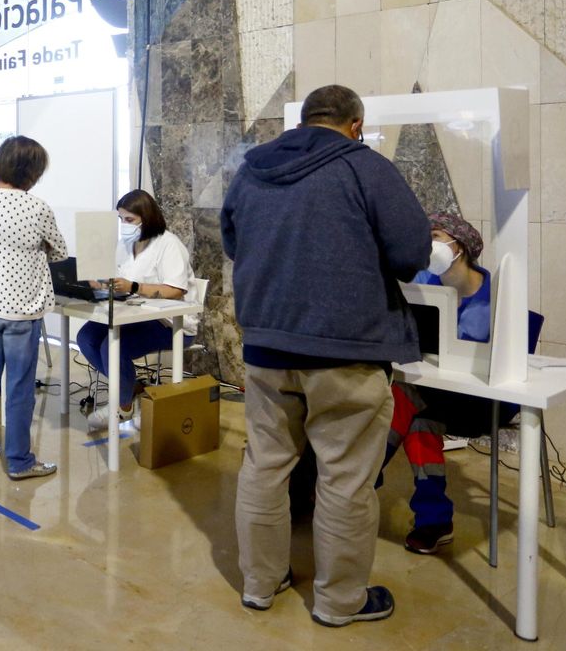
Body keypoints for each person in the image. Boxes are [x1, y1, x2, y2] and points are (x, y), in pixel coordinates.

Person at [220, 84, 429, 627]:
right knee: (344, 477)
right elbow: (411, 253)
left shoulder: (251, 170)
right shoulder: (365, 167)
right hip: (347, 349)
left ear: (304, 121)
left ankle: (260, 584)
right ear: (355, 124)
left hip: (267, 346)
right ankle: (339, 603)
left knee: (265, 466)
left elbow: (233, 242)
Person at [381, 211, 498, 555]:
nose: (428, 245)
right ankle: (433, 520)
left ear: (459, 246)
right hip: (429, 393)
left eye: (435, 235)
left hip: (474, 399)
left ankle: (361, 477)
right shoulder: (421, 284)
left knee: (402, 395)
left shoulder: (496, 296)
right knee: (416, 417)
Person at [0, 136, 67, 480]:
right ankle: (20, 461)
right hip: (22, 311)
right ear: (30, 171)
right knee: (20, 388)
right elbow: (60, 253)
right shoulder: (36, 208)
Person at [77, 189, 194, 431]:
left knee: (112, 345)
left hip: (169, 322)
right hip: (132, 314)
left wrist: (135, 287)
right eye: (121, 219)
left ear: (147, 217)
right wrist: (101, 284)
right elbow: (121, 280)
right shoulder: (125, 244)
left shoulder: (169, 244)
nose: (124, 225)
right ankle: (129, 387)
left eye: (129, 220)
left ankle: (122, 406)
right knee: (86, 337)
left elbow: (176, 290)